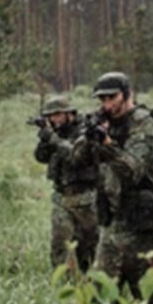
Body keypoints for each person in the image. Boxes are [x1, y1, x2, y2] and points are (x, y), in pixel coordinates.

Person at [76, 72, 153, 304]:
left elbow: (133, 170)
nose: (108, 105)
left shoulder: (144, 123)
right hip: (112, 223)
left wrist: (108, 146)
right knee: (101, 298)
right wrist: (89, 138)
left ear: (127, 94)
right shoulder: (104, 121)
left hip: (144, 225)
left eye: (113, 98)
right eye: (103, 100)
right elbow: (76, 159)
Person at [33, 95, 100, 273]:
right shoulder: (56, 132)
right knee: (59, 245)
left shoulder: (85, 130)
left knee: (88, 247)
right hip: (62, 197)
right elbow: (41, 157)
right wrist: (44, 139)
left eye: (57, 115)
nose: (54, 119)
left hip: (86, 198)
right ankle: (64, 286)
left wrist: (53, 138)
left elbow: (76, 157)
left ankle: (91, 286)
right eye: (51, 116)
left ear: (69, 113)